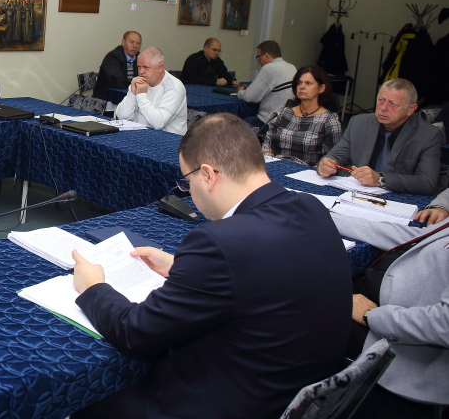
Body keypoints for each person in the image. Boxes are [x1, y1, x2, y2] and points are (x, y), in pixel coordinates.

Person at [71, 113, 351, 419]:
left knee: (83, 401)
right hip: (298, 392)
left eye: (187, 180)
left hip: (228, 402)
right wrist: (182, 268)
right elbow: (268, 271)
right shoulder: (310, 206)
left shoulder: (219, 241)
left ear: (207, 175)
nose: (189, 191)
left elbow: (135, 334)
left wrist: (94, 287)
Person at [331, 208, 449, 417]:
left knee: (303, 303)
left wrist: (370, 315)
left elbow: (443, 324)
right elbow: (419, 238)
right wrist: (327, 217)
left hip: (402, 345)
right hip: (388, 303)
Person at [318, 79, 442, 195]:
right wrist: (328, 164)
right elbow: (336, 155)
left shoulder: (428, 135)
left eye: (393, 104)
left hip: (399, 199)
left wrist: (380, 179)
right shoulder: (359, 123)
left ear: (411, 109)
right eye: (381, 100)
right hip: (357, 193)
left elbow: (427, 182)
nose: (383, 108)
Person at [261, 65, 342, 166]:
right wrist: (269, 160)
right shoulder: (284, 112)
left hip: (308, 171)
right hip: (278, 166)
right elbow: (269, 142)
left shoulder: (329, 120)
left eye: (308, 83)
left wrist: (317, 169)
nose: (302, 86)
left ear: (321, 88)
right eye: (299, 83)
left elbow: (333, 156)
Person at [115, 47, 187, 135]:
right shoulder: (138, 81)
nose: (141, 72)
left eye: (146, 67)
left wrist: (141, 95)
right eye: (139, 67)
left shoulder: (174, 87)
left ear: (160, 67)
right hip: (140, 135)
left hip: (168, 140)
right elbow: (122, 116)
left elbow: (158, 123)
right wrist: (132, 93)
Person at [235, 40, 296, 126]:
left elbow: (249, 97)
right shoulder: (292, 67)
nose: (258, 60)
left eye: (258, 57)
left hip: (269, 121)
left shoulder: (269, 68)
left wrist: (239, 91)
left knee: (237, 125)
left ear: (266, 55)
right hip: (287, 120)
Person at [93, 31, 141, 99]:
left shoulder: (139, 57)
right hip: (107, 98)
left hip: (129, 94)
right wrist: (136, 85)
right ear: (123, 42)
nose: (135, 46)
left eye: (138, 43)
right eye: (131, 42)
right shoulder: (113, 57)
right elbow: (117, 82)